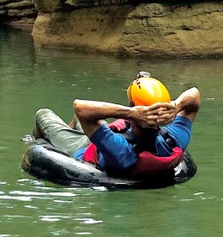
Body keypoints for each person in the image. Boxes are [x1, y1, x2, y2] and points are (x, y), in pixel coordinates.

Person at [34, 71, 200, 178]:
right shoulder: (174, 140)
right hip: (106, 139)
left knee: (43, 114)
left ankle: (37, 142)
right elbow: (195, 95)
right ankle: (76, 129)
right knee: (83, 120)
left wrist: (131, 113)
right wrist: (176, 105)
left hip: (85, 149)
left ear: (132, 106)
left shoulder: (120, 150)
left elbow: (80, 108)